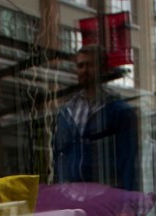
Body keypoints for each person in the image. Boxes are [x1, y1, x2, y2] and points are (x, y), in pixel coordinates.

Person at [53, 44, 139, 192]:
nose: (84, 70)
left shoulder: (120, 111)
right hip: (72, 195)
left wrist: (127, 199)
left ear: (102, 69)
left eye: (90, 65)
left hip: (106, 194)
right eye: (80, 66)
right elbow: (59, 155)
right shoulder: (67, 112)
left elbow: (128, 160)